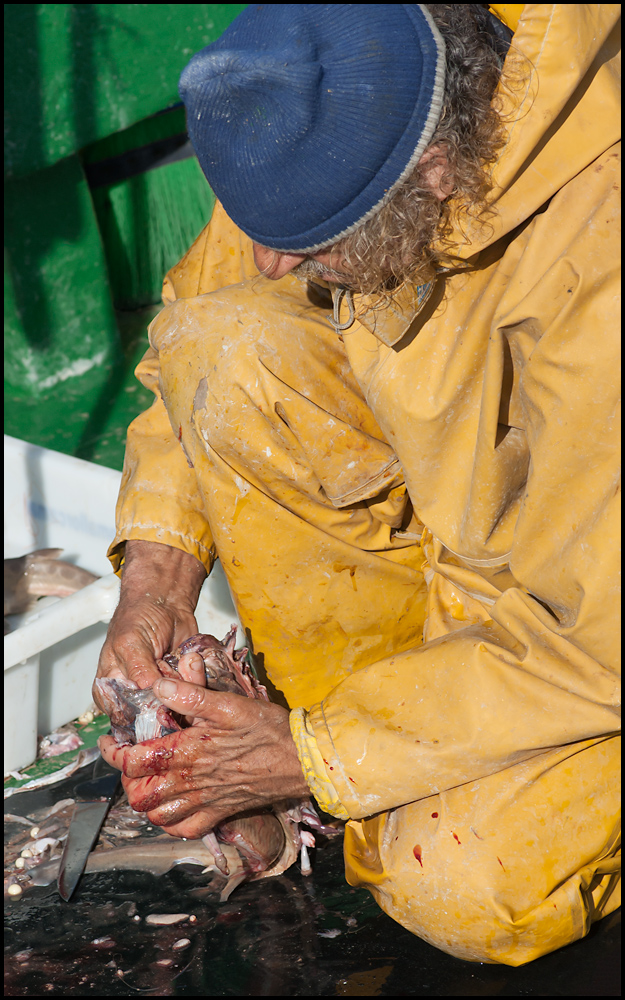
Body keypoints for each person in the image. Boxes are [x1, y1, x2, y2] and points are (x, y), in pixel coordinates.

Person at [95, 4, 621, 966]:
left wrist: (313, 753)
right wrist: (157, 578)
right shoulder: (340, 76)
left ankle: (319, 771)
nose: (270, 263)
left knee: (462, 882)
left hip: (590, 631)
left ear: (433, 174)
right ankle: (320, 760)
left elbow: (598, 642)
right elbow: (201, 318)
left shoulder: (602, 250)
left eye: (309, 241)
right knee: (225, 342)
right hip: (471, 552)